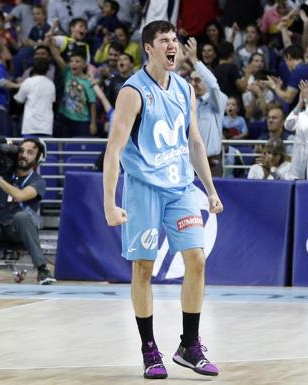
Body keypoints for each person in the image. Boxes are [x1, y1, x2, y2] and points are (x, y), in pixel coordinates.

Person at [102, 20, 223, 380]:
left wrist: (211, 190)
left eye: (176, 40)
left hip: (181, 188)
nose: (174, 45)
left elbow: (196, 143)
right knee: (143, 269)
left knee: (196, 261)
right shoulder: (132, 92)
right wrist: (109, 202)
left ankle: (189, 345)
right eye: (165, 41)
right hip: (144, 190)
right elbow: (114, 149)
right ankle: (149, 350)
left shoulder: (185, 88)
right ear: (149, 48)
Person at [0, 138, 55, 285]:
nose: (24, 155)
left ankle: (43, 270)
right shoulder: (4, 177)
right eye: (21, 151)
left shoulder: (38, 181)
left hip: (20, 232)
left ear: (37, 159)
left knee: (21, 217)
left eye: (30, 153)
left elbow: (19, 195)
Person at [184, 37, 228, 177]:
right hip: (190, 165)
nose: (193, 83)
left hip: (212, 165)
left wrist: (195, 61)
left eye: (197, 80)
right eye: (191, 80)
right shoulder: (188, 103)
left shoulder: (217, 102)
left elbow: (214, 85)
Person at [14, 58, 56, 137]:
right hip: (46, 126)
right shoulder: (51, 84)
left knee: (28, 148)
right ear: (47, 70)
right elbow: (52, 101)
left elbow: (19, 100)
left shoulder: (28, 81)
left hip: (30, 125)